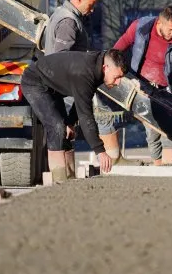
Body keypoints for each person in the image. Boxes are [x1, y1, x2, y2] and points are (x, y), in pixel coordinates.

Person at [43, 0, 121, 164]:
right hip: (66, 86)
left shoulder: (65, 15)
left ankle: (67, 177)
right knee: (67, 132)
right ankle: (66, 178)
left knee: (66, 133)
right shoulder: (68, 22)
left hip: (65, 85)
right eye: (91, 5)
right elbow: (62, 60)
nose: (92, 10)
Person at [21, 49, 127, 183]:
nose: (118, 83)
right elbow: (86, 116)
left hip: (53, 88)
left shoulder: (97, 68)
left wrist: (70, 122)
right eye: (117, 77)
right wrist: (100, 150)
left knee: (65, 130)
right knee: (57, 127)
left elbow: (82, 99)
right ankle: (59, 179)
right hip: (34, 82)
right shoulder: (85, 73)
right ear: (106, 67)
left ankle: (70, 177)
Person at [113, 6, 172, 166]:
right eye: (170, 30)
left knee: (171, 128)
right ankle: (158, 165)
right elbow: (121, 45)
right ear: (159, 23)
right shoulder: (140, 27)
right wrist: (110, 66)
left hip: (167, 88)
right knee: (152, 129)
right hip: (141, 84)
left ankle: (170, 165)